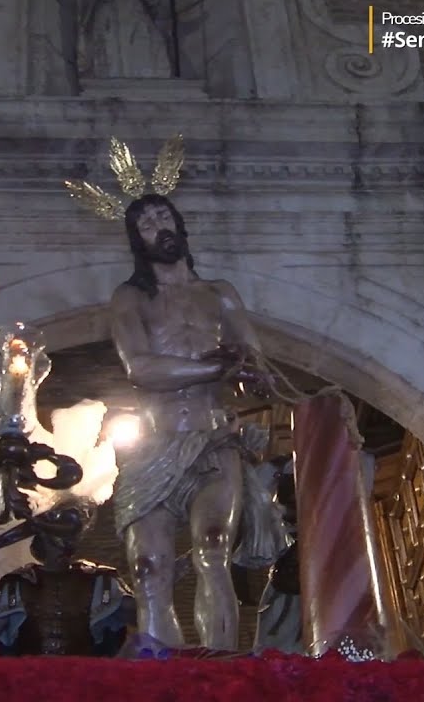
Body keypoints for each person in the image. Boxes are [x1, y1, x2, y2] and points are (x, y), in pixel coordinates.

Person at [109, 193, 281, 650]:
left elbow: (257, 365)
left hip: (213, 439)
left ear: (180, 226)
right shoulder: (131, 298)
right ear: (136, 240)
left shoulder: (219, 294)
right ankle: (160, 678)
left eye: (164, 216)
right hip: (152, 443)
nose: (158, 227)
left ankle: (221, 669)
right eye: (146, 223)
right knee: (148, 566)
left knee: (211, 546)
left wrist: (253, 373)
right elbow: (140, 368)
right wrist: (218, 367)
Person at [0, 505, 132, 656]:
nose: (63, 550)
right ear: (42, 541)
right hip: (28, 673)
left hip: (83, 672)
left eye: (68, 541)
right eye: (56, 542)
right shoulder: (18, 583)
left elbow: (139, 615)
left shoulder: (99, 580)